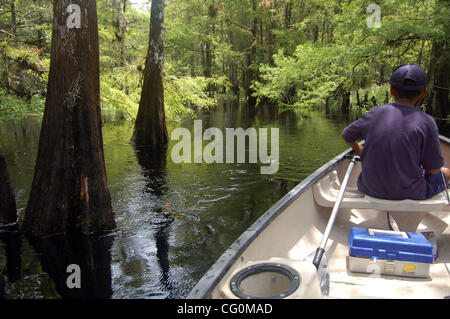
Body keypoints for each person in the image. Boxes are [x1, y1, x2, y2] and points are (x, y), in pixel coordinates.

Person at [342, 63, 449, 200]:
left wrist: (359, 150)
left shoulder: (374, 113)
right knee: (445, 172)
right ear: (423, 93)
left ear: (392, 90)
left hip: (369, 189)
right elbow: (433, 170)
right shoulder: (426, 122)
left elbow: (347, 134)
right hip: (411, 193)